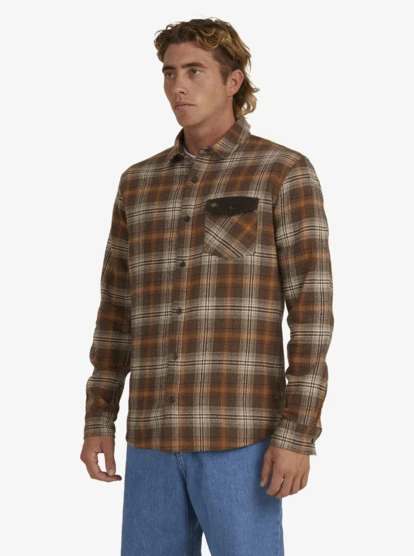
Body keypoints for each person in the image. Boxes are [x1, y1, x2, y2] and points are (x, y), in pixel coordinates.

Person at [80, 17, 334, 556]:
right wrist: (99, 417)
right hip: (151, 439)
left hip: (240, 439)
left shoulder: (282, 172)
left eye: (194, 71)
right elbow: (115, 312)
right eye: (169, 72)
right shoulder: (138, 183)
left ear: (233, 81)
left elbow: (312, 314)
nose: (178, 86)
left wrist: (297, 434)